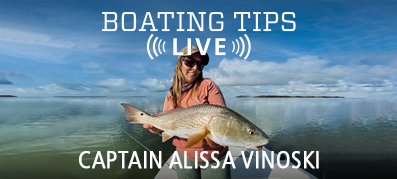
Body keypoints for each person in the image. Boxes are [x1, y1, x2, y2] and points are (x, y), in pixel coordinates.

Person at [143, 45, 231, 179]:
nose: (195, 68)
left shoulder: (208, 85)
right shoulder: (171, 94)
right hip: (184, 156)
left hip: (214, 156)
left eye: (200, 65)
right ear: (180, 63)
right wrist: (156, 129)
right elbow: (167, 128)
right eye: (190, 62)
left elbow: (221, 121)